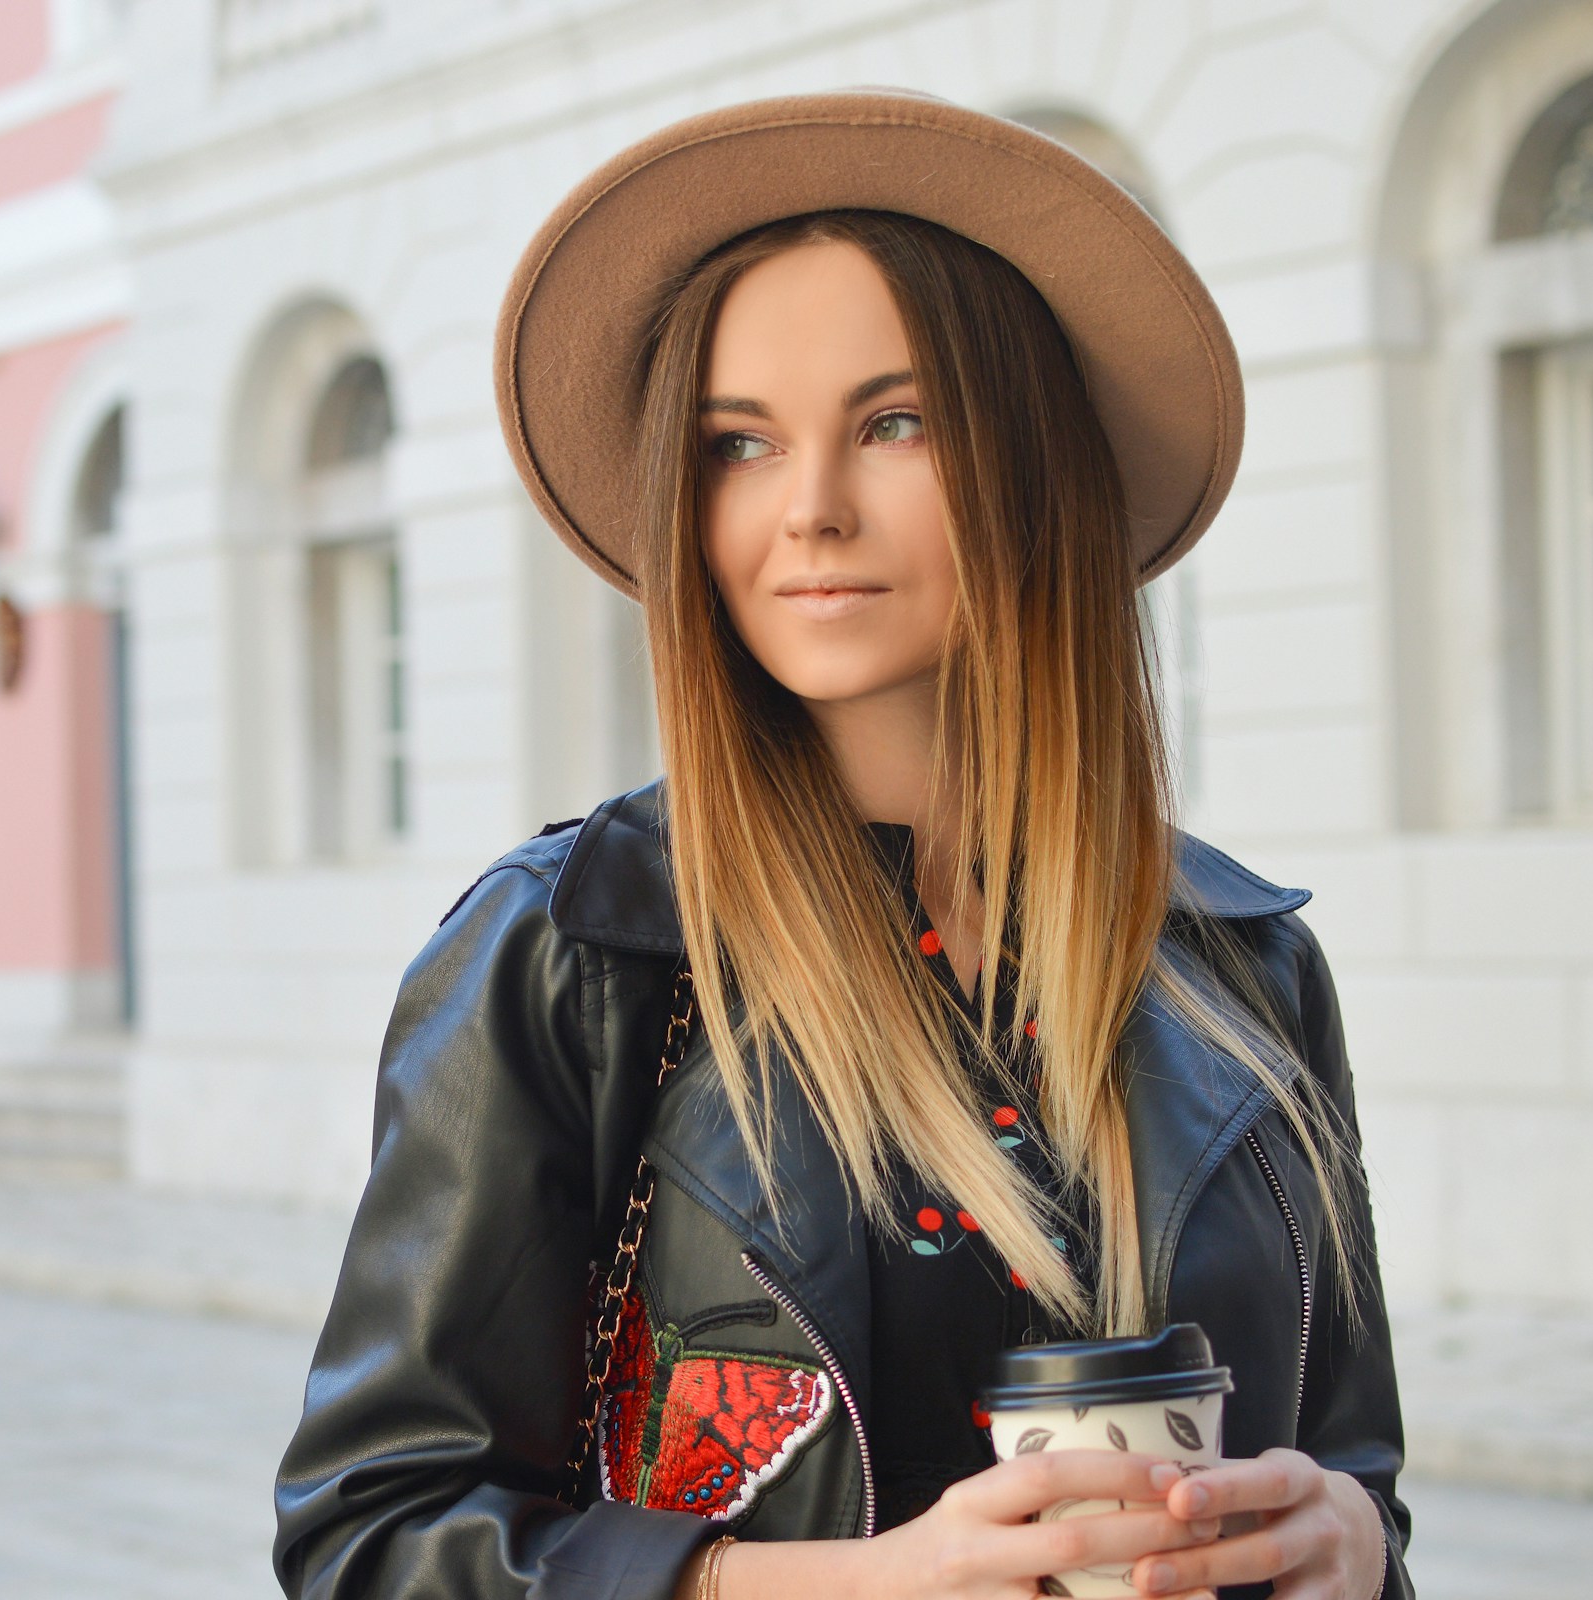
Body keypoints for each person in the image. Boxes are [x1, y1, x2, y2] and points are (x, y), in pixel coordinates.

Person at [275, 93, 1410, 1600]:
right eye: (738, 445)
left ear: (1030, 463)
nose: (807, 511)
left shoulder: (1245, 969)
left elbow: (1359, 1478)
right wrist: (850, 1585)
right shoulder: (575, 955)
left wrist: (1345, 1542)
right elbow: (371, 1539)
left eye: (895, 423)